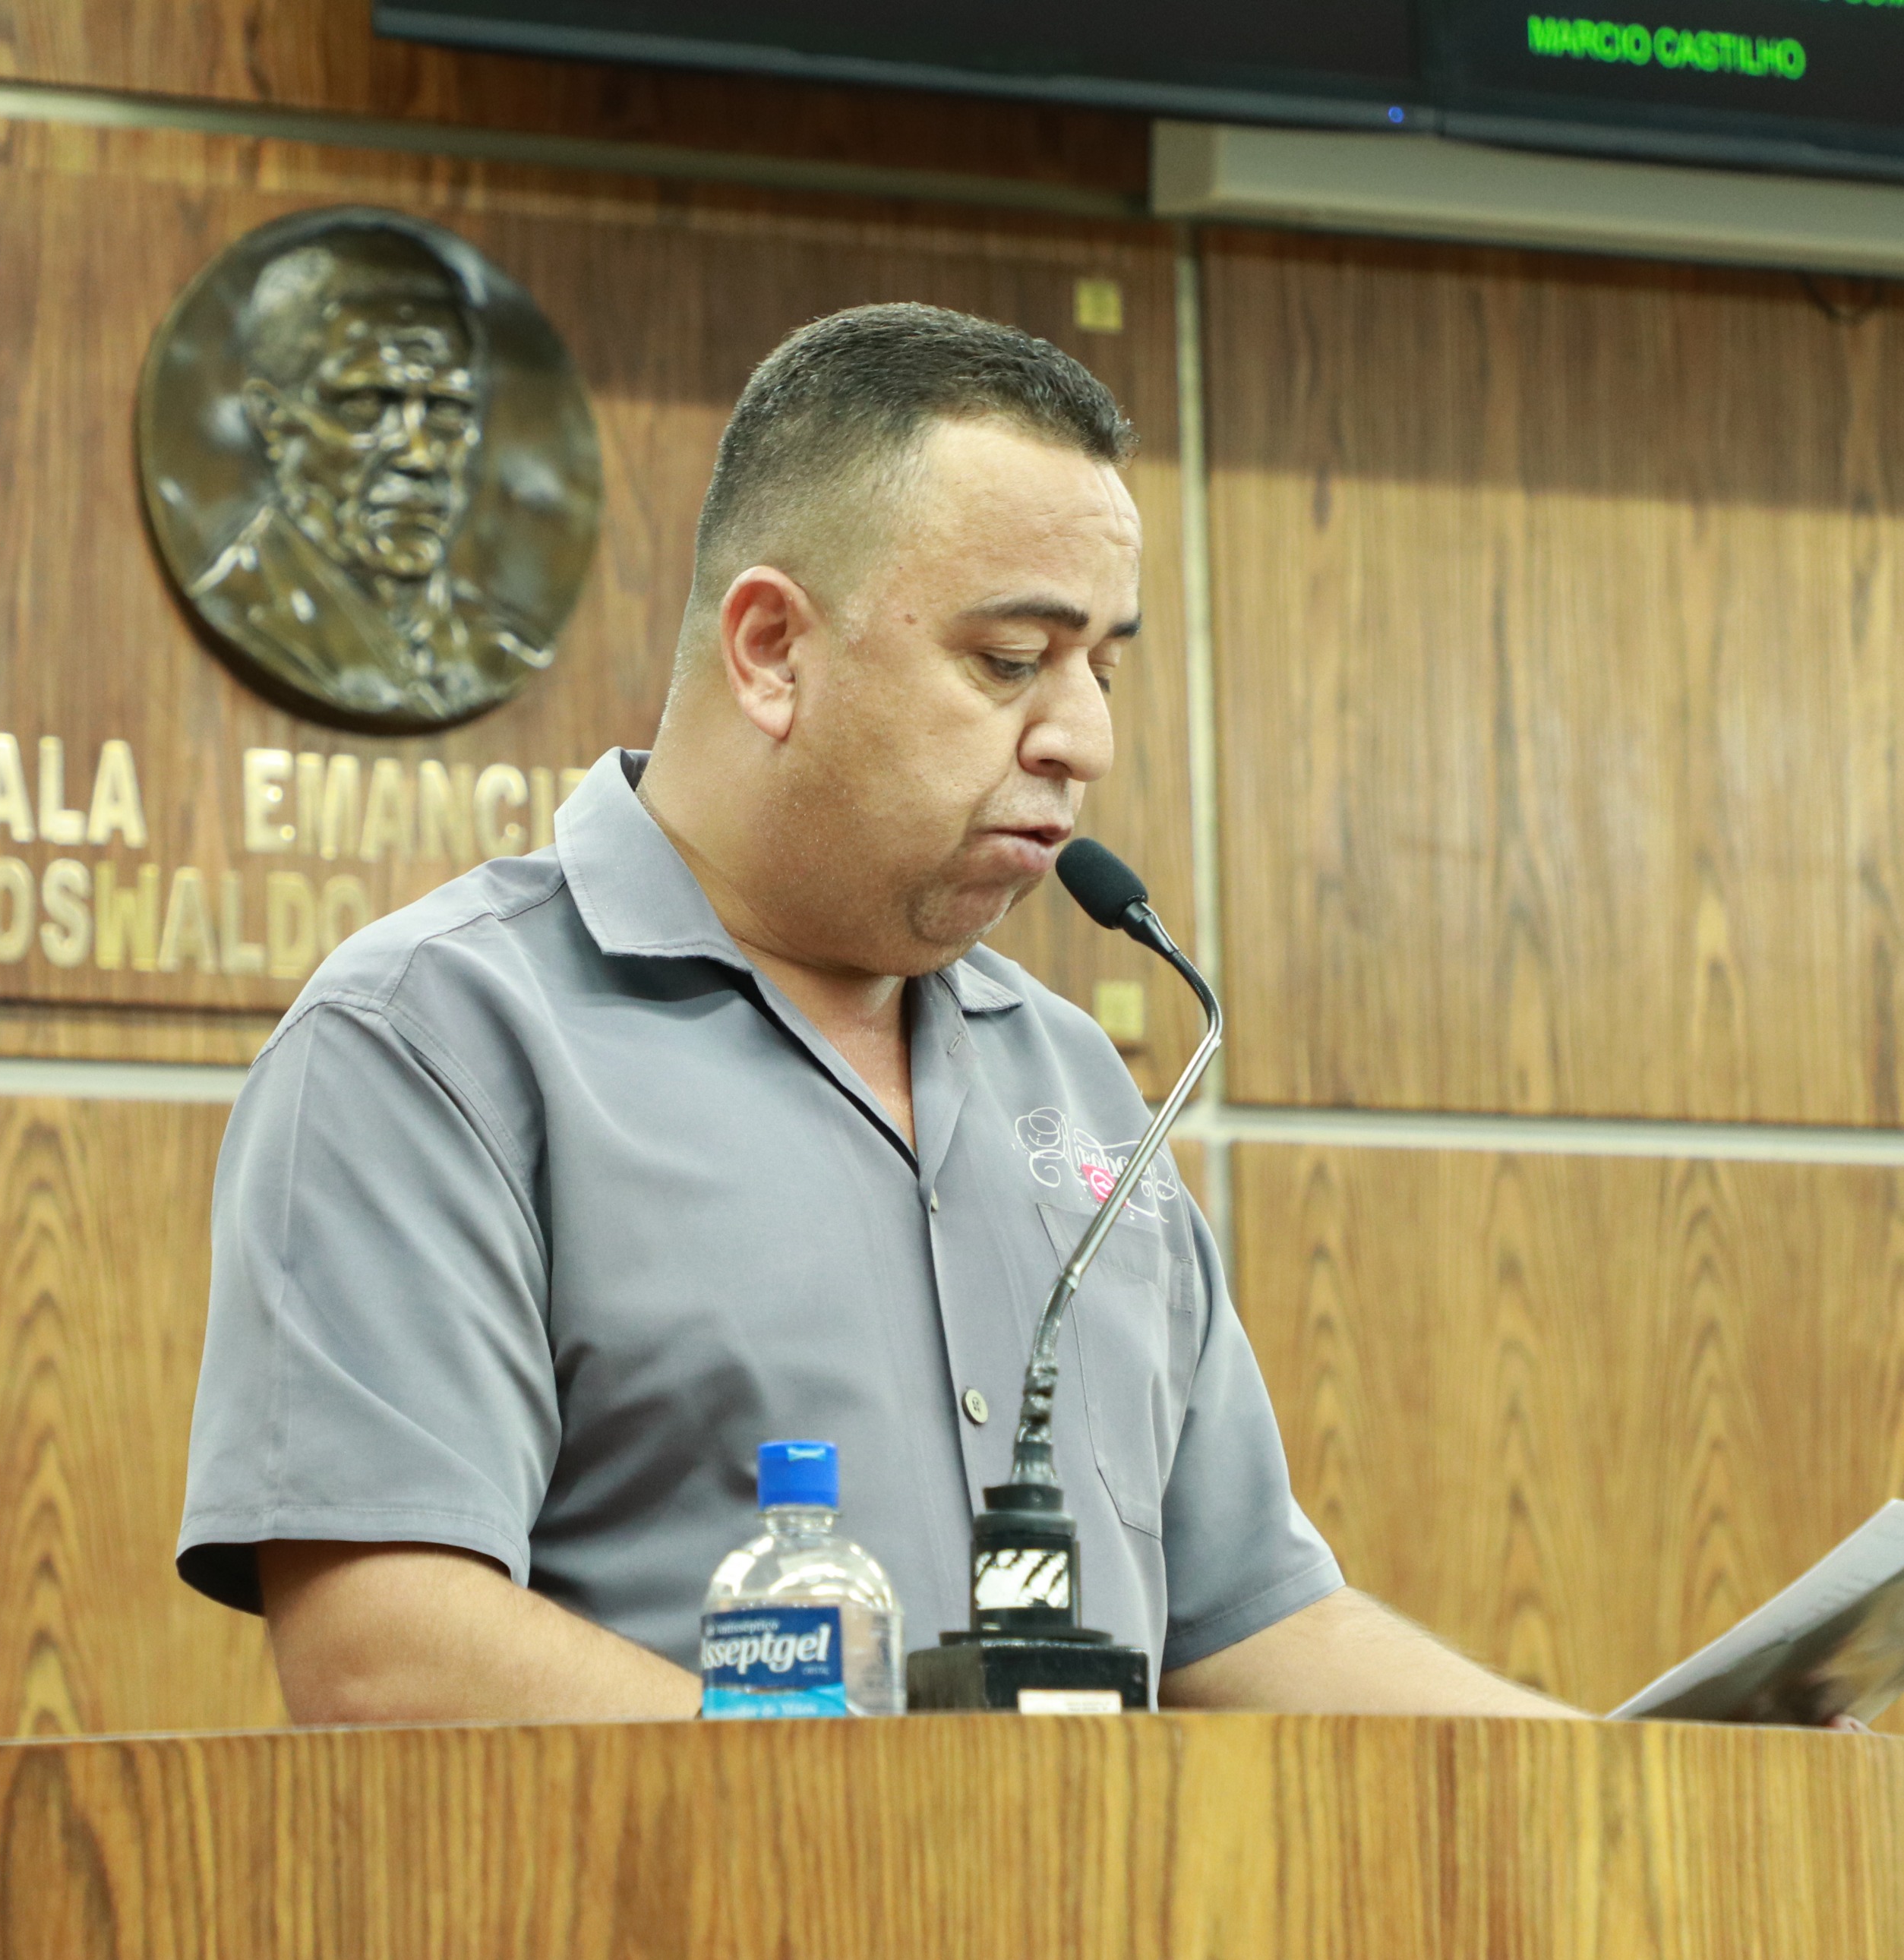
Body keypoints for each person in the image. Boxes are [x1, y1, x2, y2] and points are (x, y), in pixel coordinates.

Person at [175, 302, 1575, 1723]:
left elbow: (1253, 1625)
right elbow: (389, 1649)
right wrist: (880, 1823)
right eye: (1012, 659)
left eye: (1102, 666)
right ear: (772, 649)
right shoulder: (435, 1040)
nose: (1085, 738)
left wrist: (1618, 1777)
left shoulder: (1072, 1077)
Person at [195, 231, 551, 725]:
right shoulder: (238, 615)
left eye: (447, 410)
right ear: (273, 418)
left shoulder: (501, 658)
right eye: (367, 405)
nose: (420, 455)